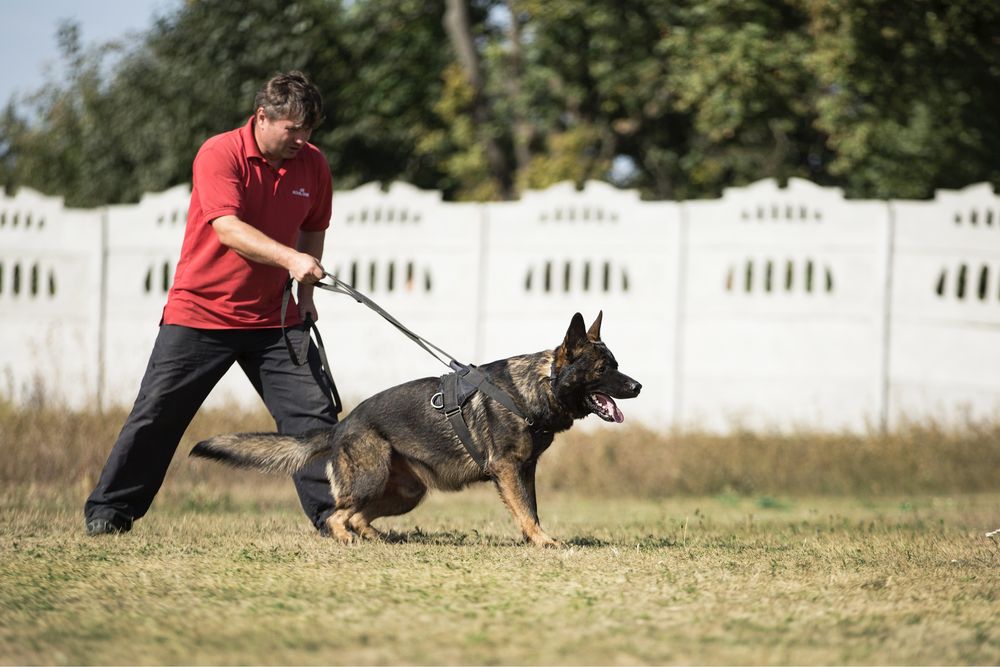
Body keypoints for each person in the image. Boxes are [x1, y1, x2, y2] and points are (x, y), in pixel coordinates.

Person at [84, 71, 339, 536]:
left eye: (309, 130)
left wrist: (305, 299)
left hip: (275, 319)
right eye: (292, 128)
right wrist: (290, 259)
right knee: (158, 414)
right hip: (201, 314)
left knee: (315, 420)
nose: (302, 139)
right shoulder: (219, 153)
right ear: (262, 116)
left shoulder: (313, 164)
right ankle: (110, 511)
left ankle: (336, 517)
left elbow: (314, 226)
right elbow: (228, 228)